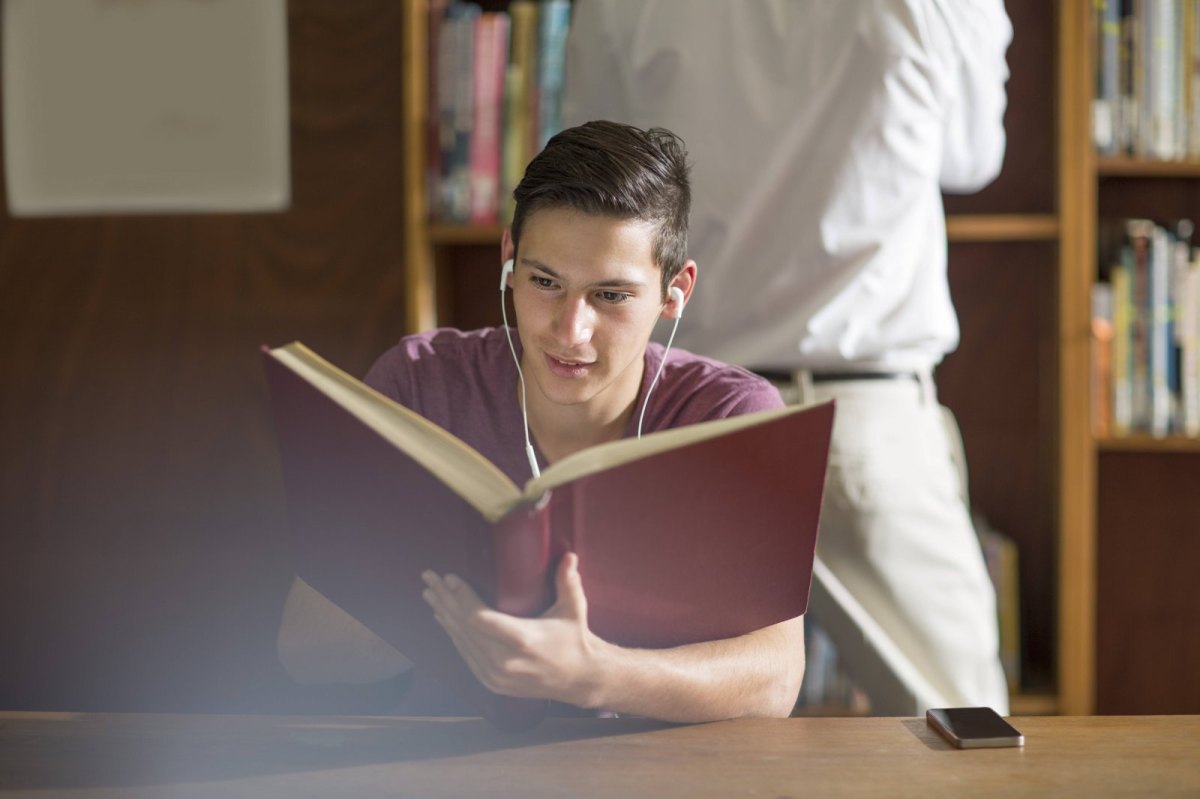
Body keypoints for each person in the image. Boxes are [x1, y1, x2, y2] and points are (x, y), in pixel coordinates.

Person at [563, 0, 1012, 712]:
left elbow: (587, 177)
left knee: (680, 742)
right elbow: (974, 155)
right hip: (863, 418)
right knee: (968, 743)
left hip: (689, 419)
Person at [277, 120, 805, 722]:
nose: (569, 331)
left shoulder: (732, 417)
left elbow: (776, 681)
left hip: (655, 772)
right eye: (545, 281)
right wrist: (466, 610)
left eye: (611, 296)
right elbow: (305, 650)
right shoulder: (420, 384)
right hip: (450, 765)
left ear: (673, 292)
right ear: (509, 259)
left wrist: (595, 676)